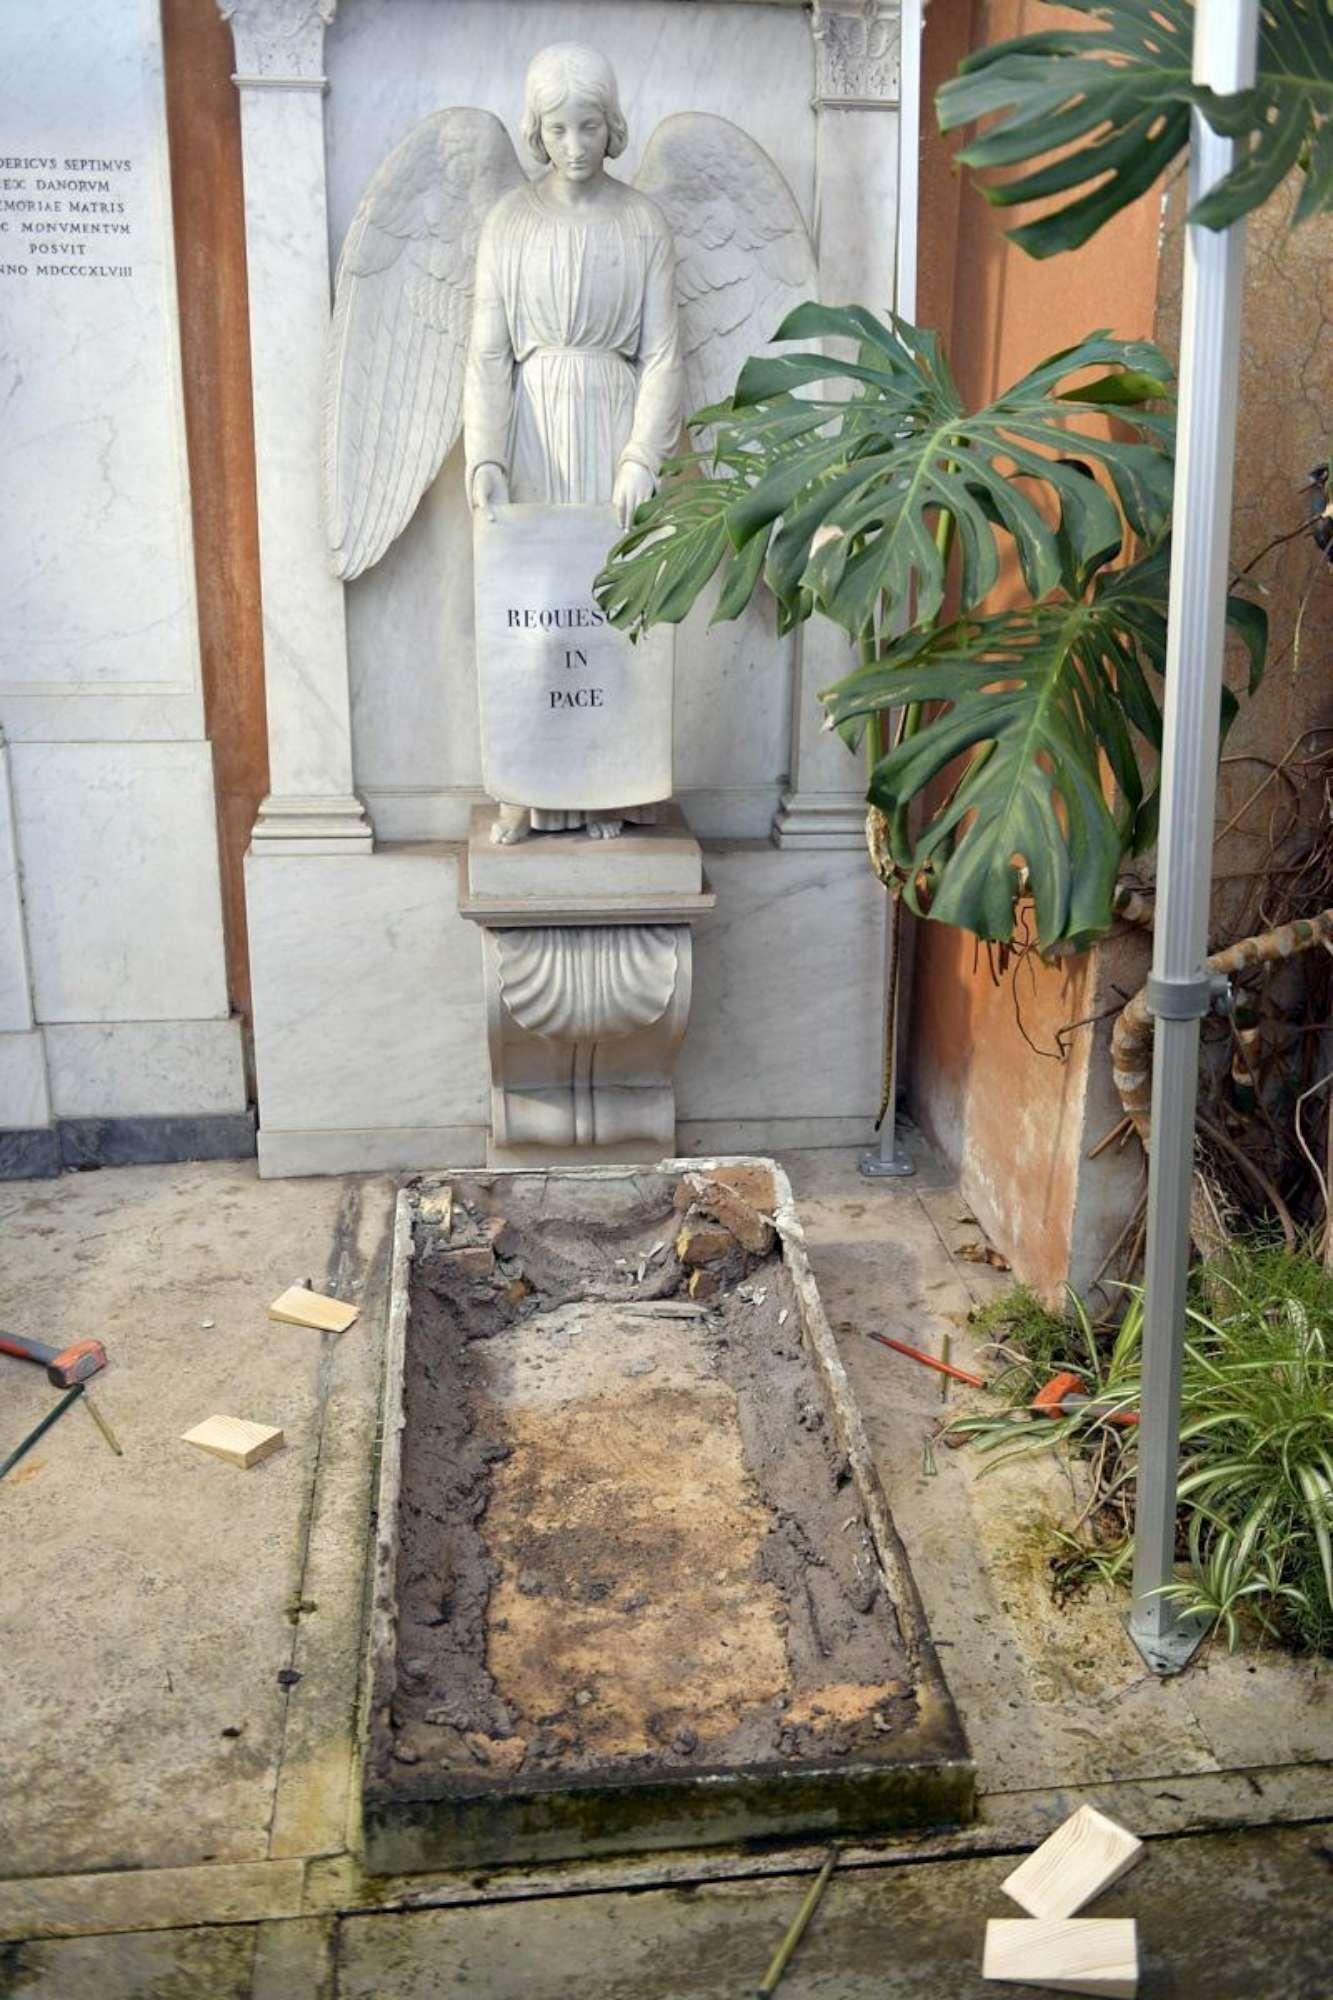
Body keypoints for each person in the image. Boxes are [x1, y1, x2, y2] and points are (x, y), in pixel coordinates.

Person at [463, 43, 683, 842]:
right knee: (535, 617)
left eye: (589, 126)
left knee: (609, 615)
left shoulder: (642, 221)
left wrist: (641, 458)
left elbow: (662, 351)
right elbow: (487, 351)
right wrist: (484, 453)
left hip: (611, 421)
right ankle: (529, 789)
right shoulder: (509, 222)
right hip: (533, 425)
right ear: (536, 130)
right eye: (557, 128)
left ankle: (608, 789)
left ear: (611, 124)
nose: (574, 145)